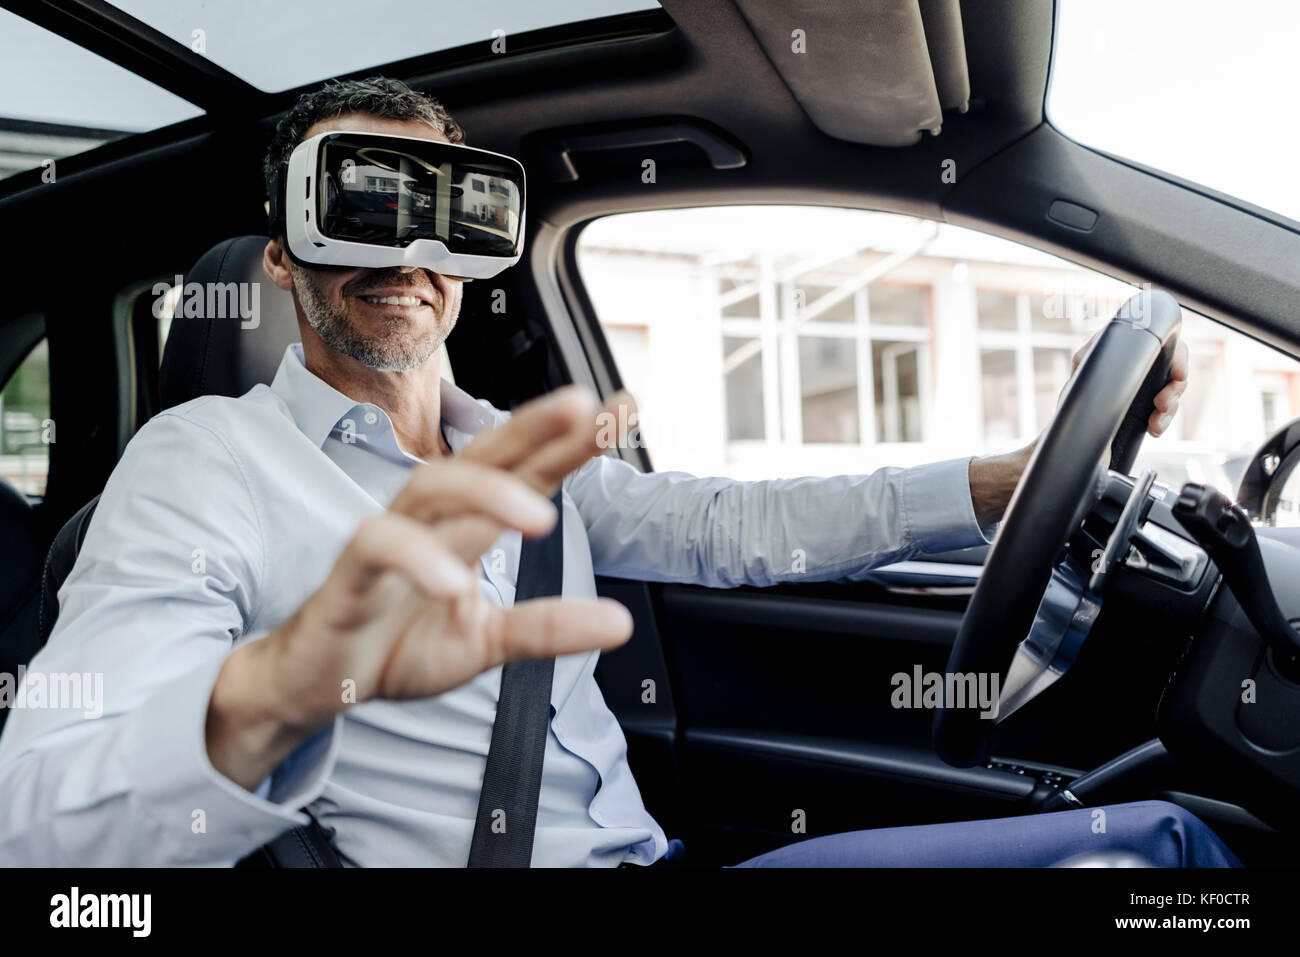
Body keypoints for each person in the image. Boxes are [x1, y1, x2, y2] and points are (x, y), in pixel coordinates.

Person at [0, 77, 1230, 868]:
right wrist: (272, 690)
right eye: (359, 209)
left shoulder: (519, 452)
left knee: (1162, 856)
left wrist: (999, 483)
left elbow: (722, 529)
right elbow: (43, 820)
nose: (406, 251)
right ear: (279, 259)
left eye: (446, 215)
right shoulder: (201, 465)